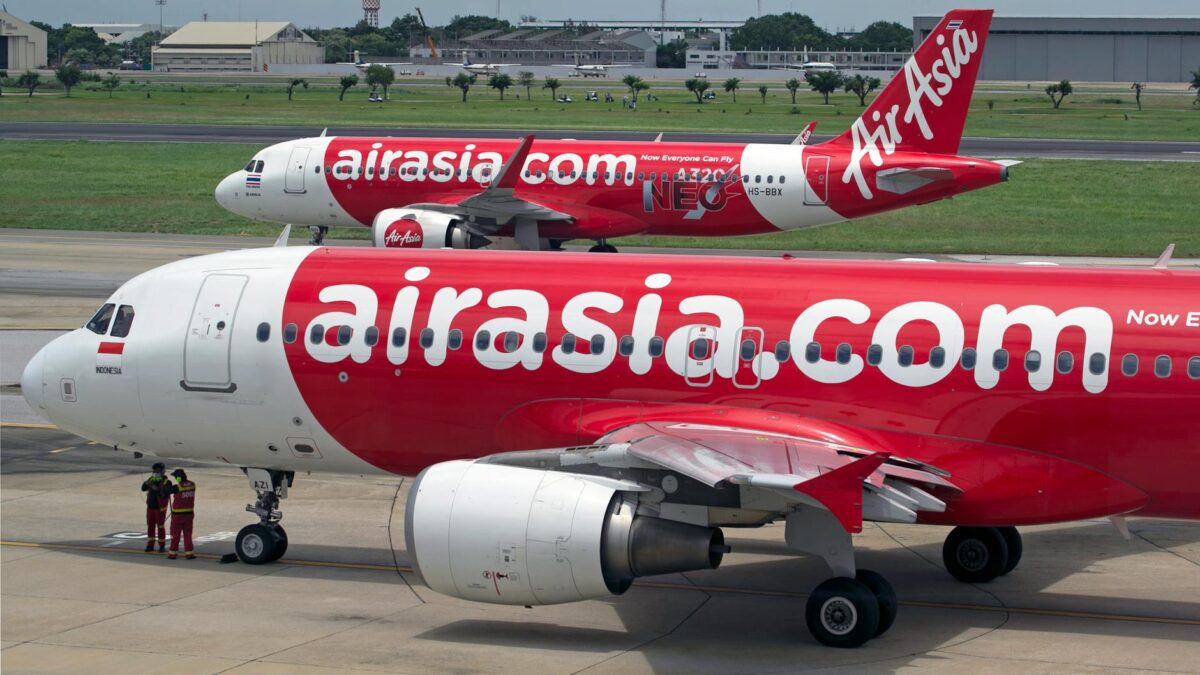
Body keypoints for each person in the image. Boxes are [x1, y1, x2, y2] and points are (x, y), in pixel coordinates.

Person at [162, 469, 196, 560]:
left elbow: (165, 492)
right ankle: (189, 553)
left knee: (175, 535)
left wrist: (167, 485)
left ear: (179, 478)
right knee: (188, 534)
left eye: (176, 477)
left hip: (178, 515)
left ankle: (172, 553)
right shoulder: (193, 484)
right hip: (189, 514)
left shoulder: (178, 487)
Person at [140, 462, 170, 552]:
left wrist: (156, 489)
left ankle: (162, 545)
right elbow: (143, 488)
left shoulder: (167, 482)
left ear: (162, 471)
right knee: (150, 526)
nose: (156, 472)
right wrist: (146, 483)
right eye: (154, 470)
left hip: (160, 509)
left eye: (158, 470)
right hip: (150, 508)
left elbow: (165, 494)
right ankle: (150, 545)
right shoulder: (151, 479)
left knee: (160, 526)